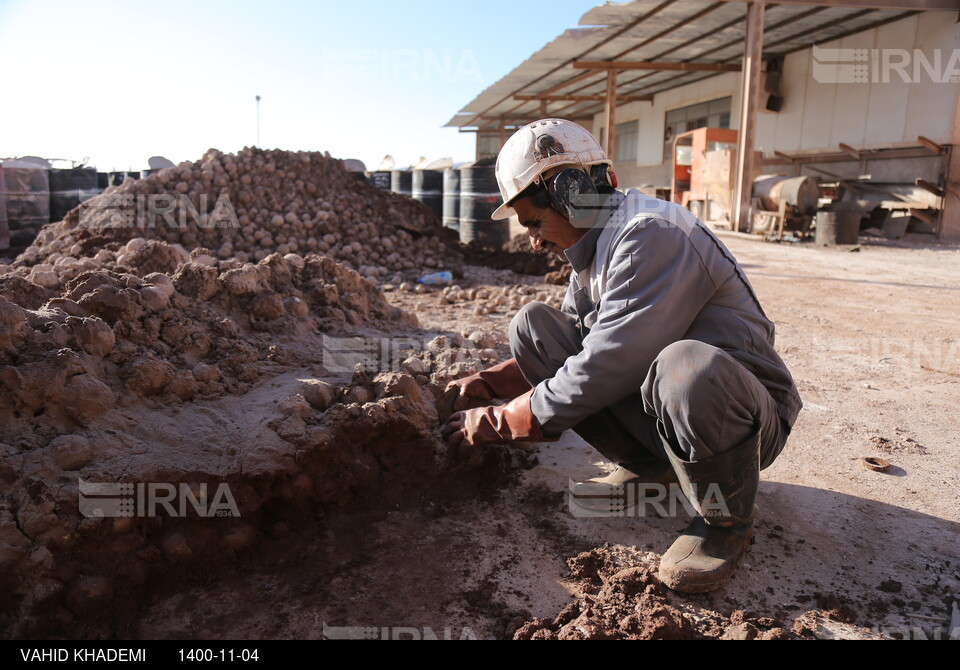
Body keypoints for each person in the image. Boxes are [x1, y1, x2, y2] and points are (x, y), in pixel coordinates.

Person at [439, 118, 802, 593]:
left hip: (741, 423)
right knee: (533, 327)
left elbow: (607, 363)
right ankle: (653, 468)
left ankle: (725, 520)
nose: (534, 239)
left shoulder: (652, 232)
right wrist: (491, 384)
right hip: (670, 409)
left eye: (533, 221)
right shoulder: (595, 249)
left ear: (569, 191)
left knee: (684, 365)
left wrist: (502, 420)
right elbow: (576, 344)